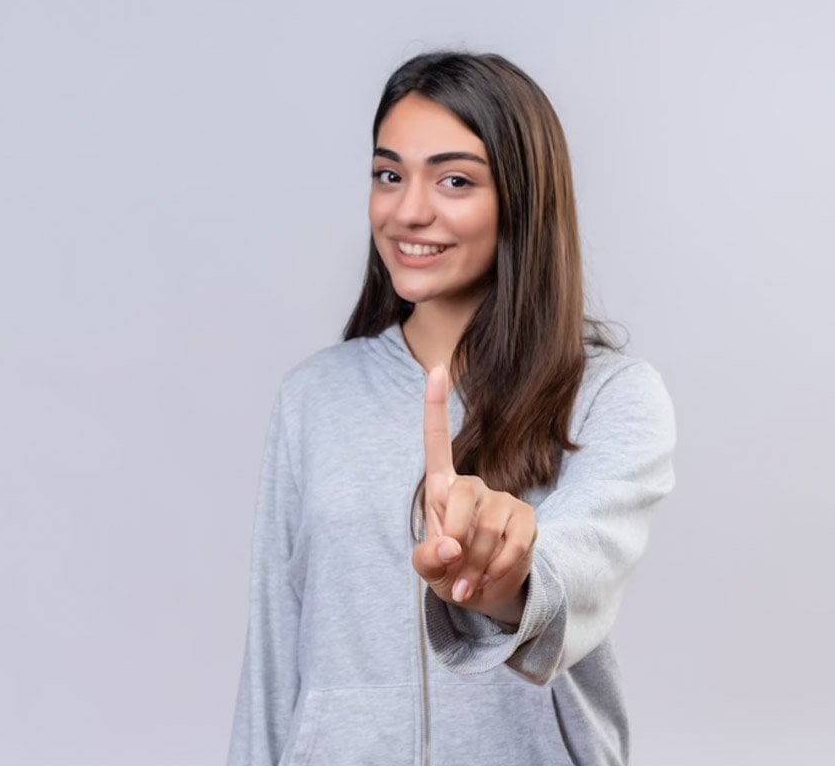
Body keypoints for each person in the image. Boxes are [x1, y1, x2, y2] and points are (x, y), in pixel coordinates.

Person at [227, 51, 677, 766]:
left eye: (455, 180)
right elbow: (275, 652)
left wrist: (502, 578)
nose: (408, 209)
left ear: (522, 200)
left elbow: (579, 572)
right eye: (388, 175)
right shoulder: (313, 398)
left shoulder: (610, 397)